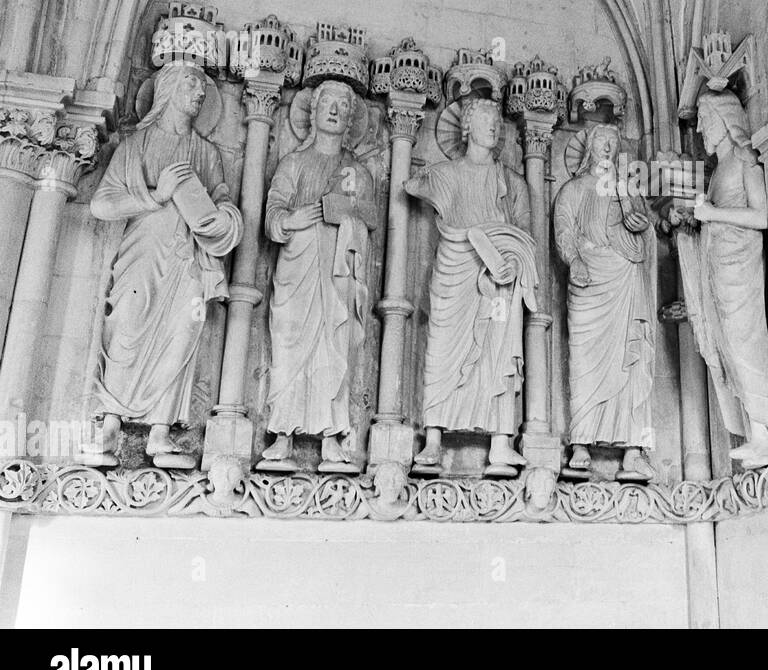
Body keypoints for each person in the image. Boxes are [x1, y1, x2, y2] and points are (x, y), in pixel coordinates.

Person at [83, 63, 243, 467]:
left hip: (188, 261)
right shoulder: (137, 145)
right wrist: (159, 194)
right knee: (127, 326)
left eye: (204, 87)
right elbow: (102, 204)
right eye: (191, 82)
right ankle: (112, 422)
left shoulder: (205, 152)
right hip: (143, 255)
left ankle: (160, 429)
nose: (200, 92)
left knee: (182, 333)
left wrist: (224, 217)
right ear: (168, 88)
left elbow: (222, 198)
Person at [405, 98, 537, 474]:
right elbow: (412, 184)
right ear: (466, 127)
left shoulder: (511, 182)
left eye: (496, 121)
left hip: (496, 282)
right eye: (484, 120)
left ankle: (500, 441)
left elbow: (525, 234)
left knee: (497, 351)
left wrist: (511, 260)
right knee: (444, 347)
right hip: (455, 274)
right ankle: (433, 439)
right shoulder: (445, 174)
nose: (493, 127)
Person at [260, 80, 377, 470]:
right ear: (312, 111)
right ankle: (281, 434)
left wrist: (348, 220)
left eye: (344, 108)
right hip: (299, 269)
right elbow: (272, 214)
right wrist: (291, 219)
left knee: (335, 347)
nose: (336, 111)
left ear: (350, 120)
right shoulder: (293, 163)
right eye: (328, 103)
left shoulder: (357, 173)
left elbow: (371, 221)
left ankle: (331, 436)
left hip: (338, 272)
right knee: (291, 345)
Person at [674, 89, 768, 469]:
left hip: (740, 270)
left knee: (745, 342)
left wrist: (714, 216)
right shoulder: (719, 170)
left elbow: (763, 217)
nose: (701, 126)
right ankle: (755, 433)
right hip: (718, 269)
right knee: (725, 346)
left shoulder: (743, 161)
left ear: (725, 118)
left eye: (705, 118)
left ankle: (765, 435)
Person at [554, 123, 655, 480]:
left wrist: (634, 215)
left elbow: (644, 227)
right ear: (589, 148)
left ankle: (631, 449)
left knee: (630, 362)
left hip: (624, 274)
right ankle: (581, 442)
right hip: (588, 277)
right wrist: (575, 259)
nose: (608, 147)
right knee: (584, 358)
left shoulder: (627, 189)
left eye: (614, 142)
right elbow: (564, 229)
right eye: (602, 141)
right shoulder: (574, 189)